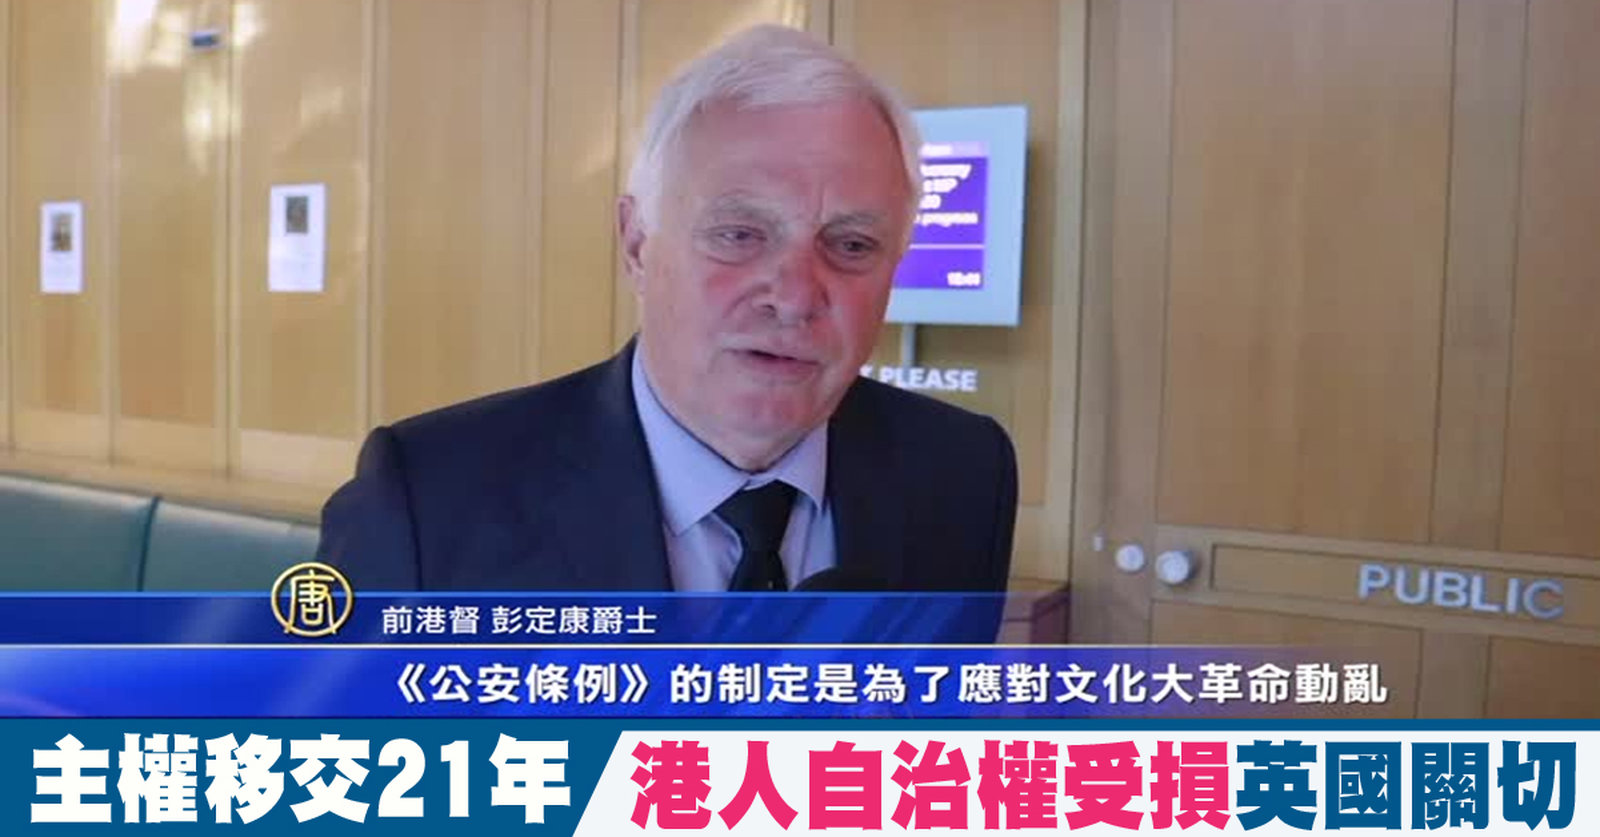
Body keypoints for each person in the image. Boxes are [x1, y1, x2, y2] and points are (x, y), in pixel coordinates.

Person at [316, 24, 1017, 592]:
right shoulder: (427, 501)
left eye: (852, 244)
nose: (795, 296)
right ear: (637, 244)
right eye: (739, 234)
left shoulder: (963, 472)